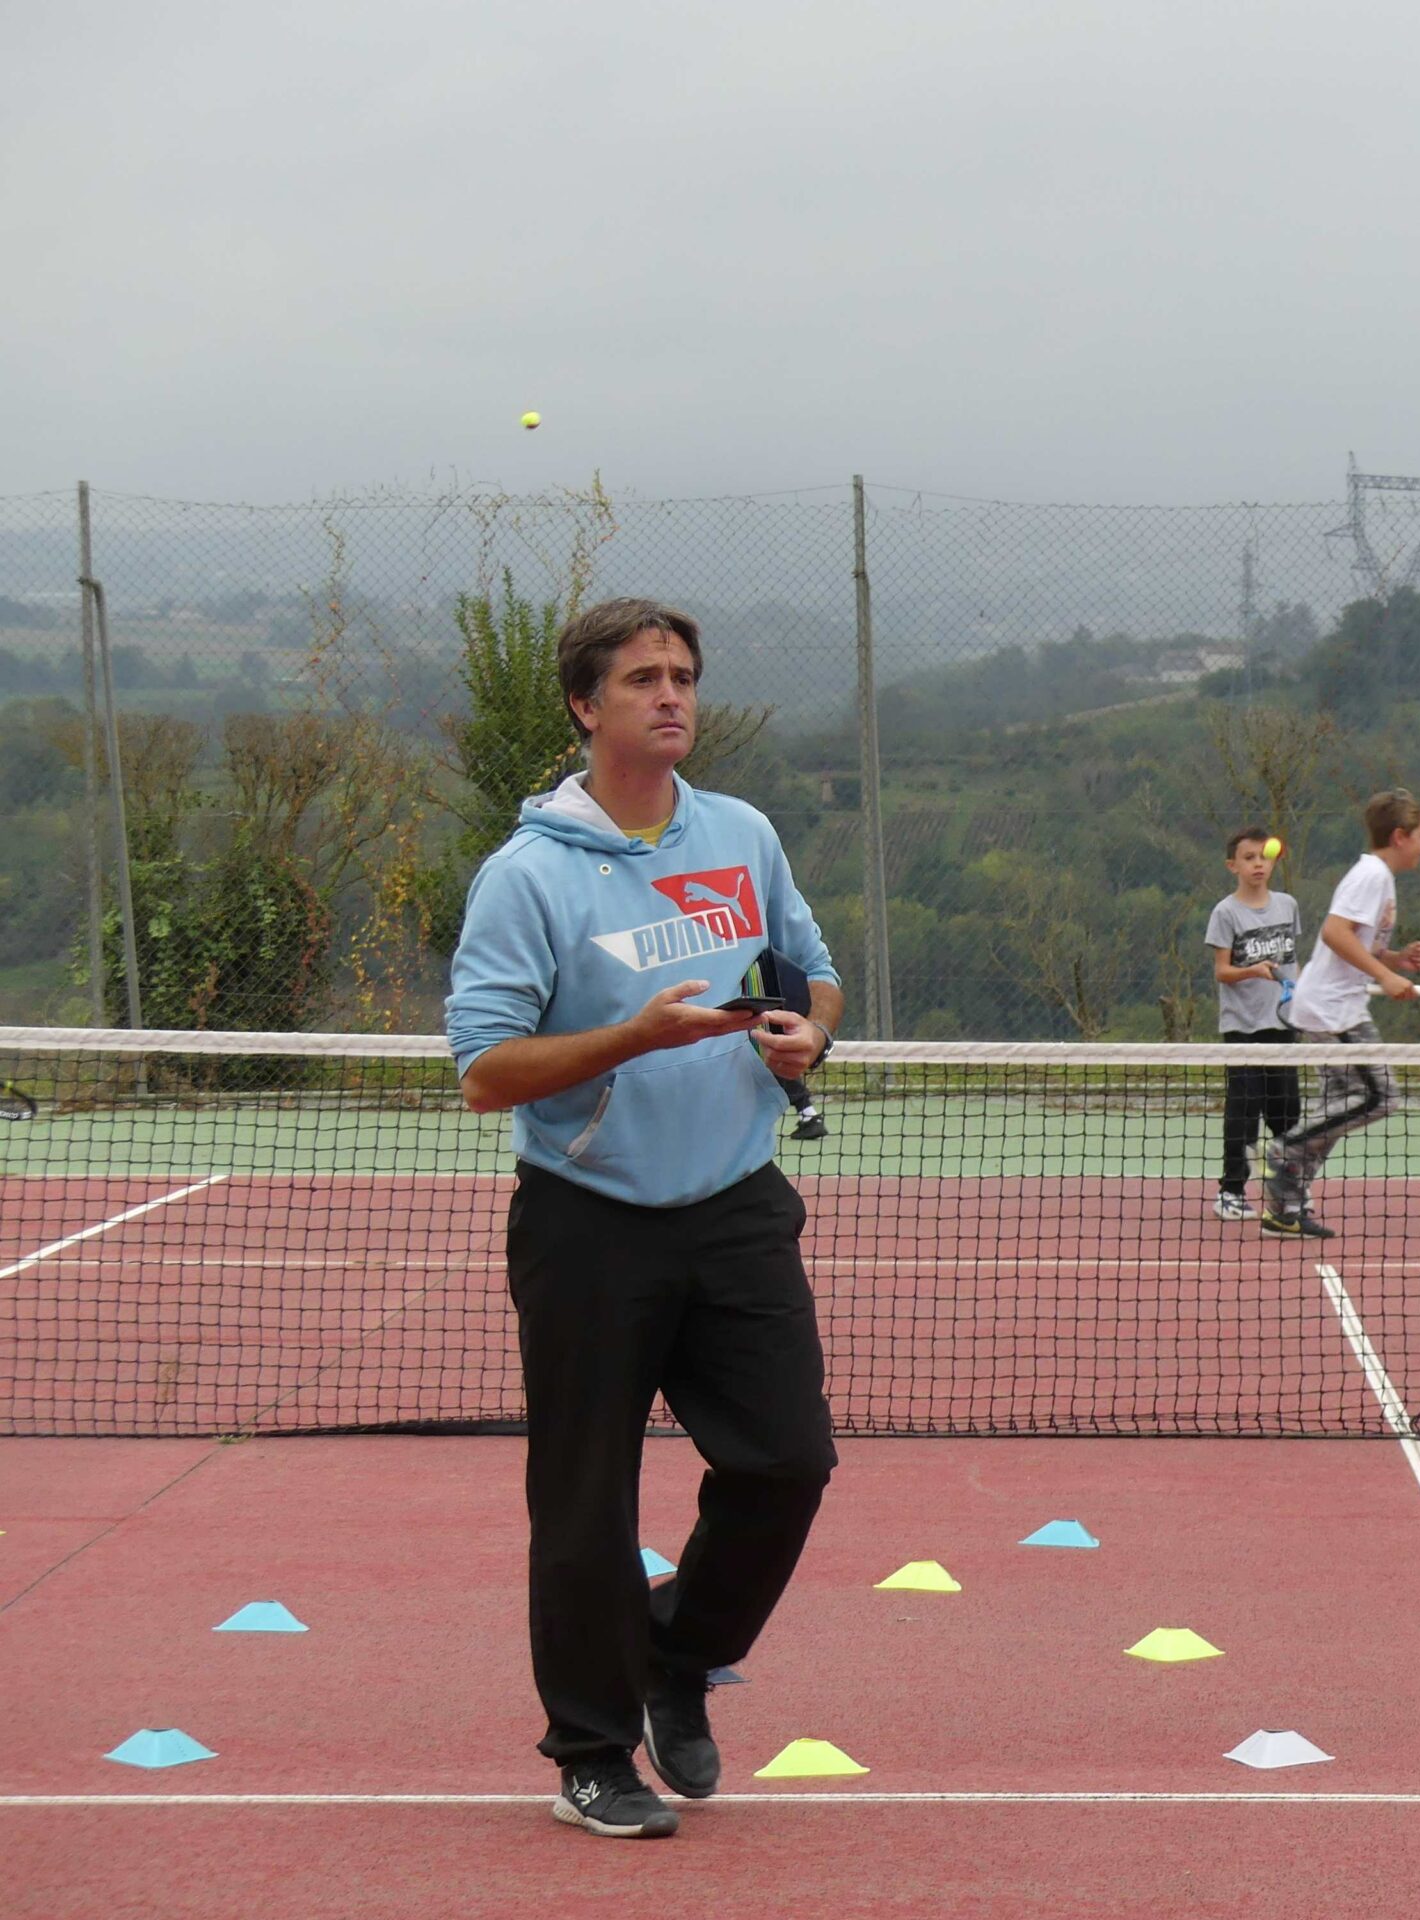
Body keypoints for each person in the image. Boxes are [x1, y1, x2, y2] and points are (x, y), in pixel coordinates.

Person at [445, 597, 844, 1842]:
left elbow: (807, 971)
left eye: (682, 675)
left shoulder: (741, 834)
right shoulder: (529, 876)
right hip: (588, 1224)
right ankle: (591, 1751)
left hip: (735, 1206)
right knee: (585, 1502)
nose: (671, 694)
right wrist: (635, 1035)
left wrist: (804, 1034)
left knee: (787, 1462)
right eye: (642, 678)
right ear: (585, 705)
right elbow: (483, 1071)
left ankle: (678, 1657)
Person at [1260, 789, 1420, 1239]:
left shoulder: (1380, 878)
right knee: (1381, 1096)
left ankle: (1285, 1208)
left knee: (1334, 1110)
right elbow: (1335, 933)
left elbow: (1357, 942)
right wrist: (1385, 975)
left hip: (1336, 1006)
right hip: (1332, 1012)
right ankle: (1286, 1150)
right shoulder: (1371, 875)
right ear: (1398, 836)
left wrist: (1395, 961)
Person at [1205, 827, 1302, 1221]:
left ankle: (1286, 1191)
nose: (1258, 864)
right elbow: (1222, 971)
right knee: (1244, 1112)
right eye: (1248, 858)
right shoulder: (1225, 912)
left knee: (1287, 1115)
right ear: (1233, 866)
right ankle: (1231, 1191)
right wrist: (1254, 971)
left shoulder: (1288, 905)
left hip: (1283, 1025)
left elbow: (1293, 964)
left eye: (1264, 856)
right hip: (1243, 1028)